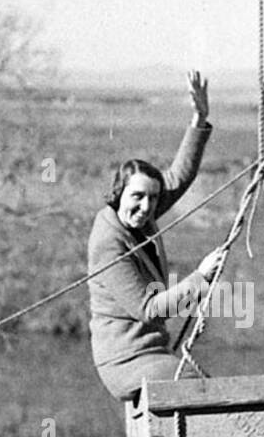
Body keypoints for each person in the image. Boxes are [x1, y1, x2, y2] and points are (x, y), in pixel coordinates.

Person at [88, 71, 224, 402]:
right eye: (137, 197)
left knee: (201, 386)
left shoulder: (139, 216)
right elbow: (149, 310)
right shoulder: (109, 241)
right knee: (197, 386)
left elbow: (179, 175)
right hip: (125, 361)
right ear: (119, 192)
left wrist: (199, 119)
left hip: (150, 354)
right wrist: (201, 276)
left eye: (152, 198)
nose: (146, 206)